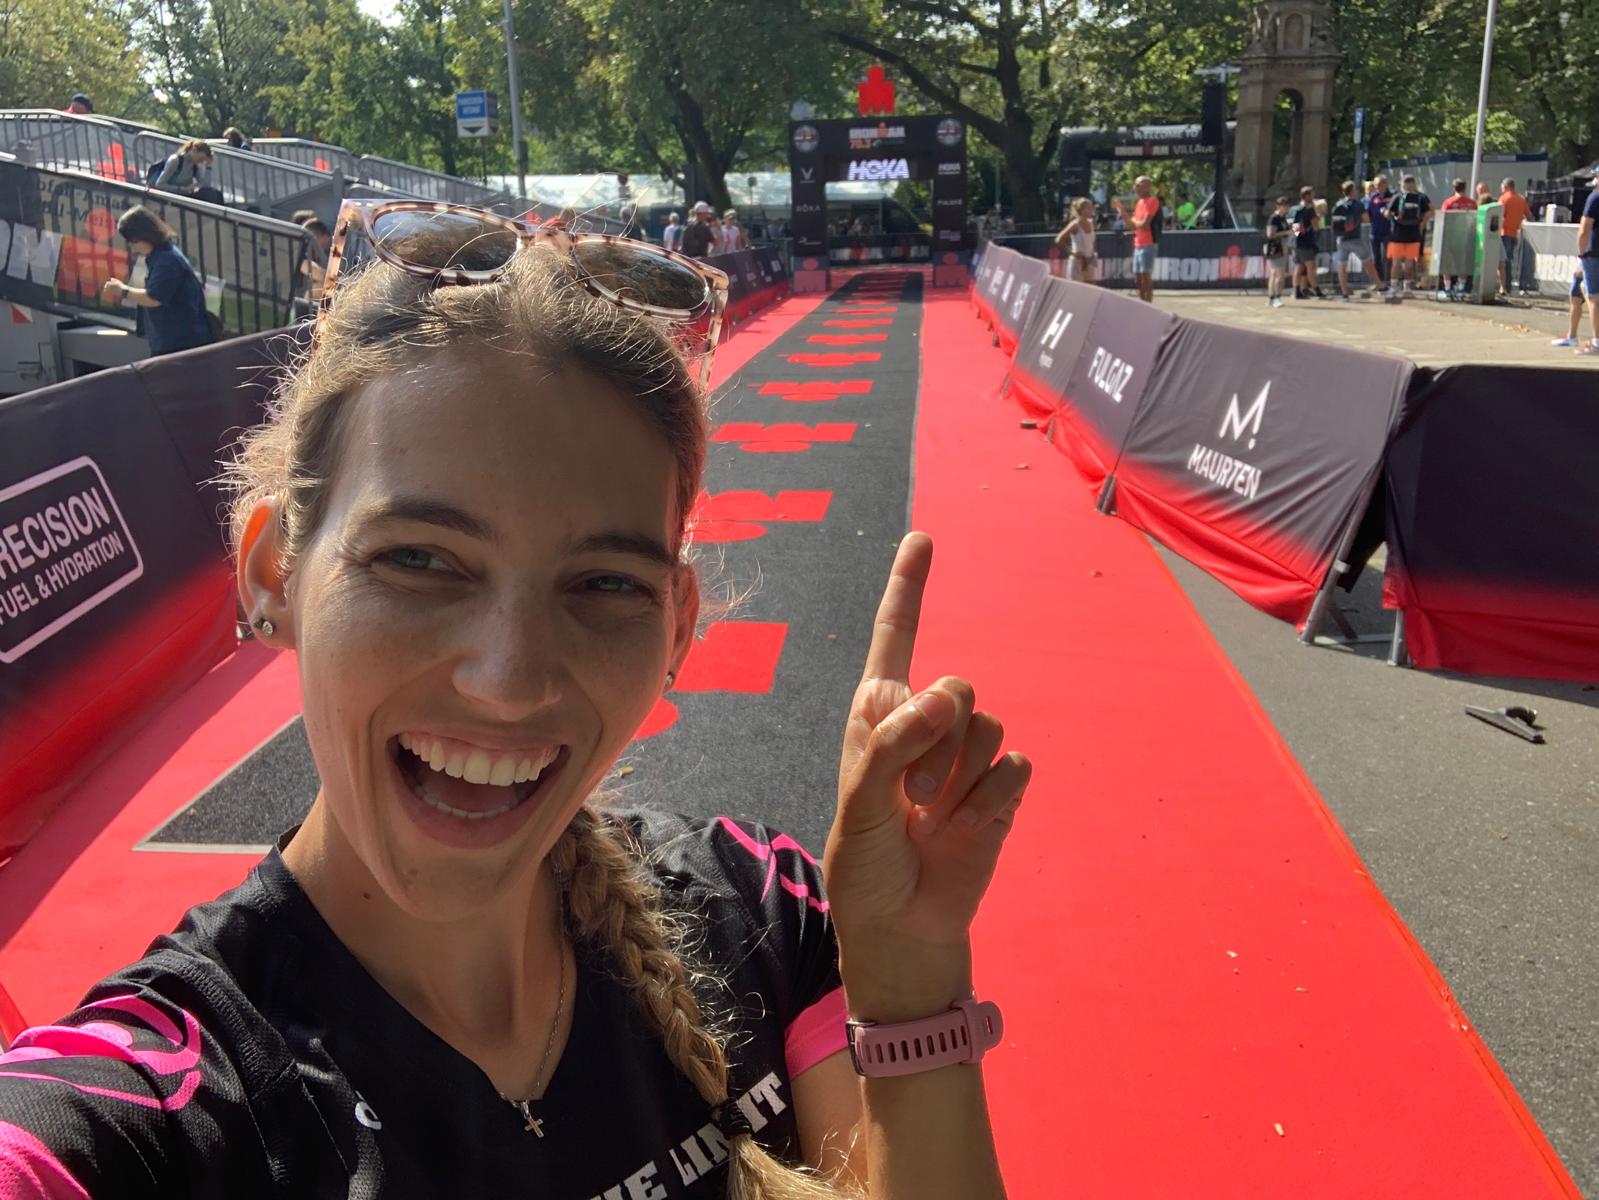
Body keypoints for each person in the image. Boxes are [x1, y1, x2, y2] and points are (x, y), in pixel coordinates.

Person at [0, 202, 1029, 1197]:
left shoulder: (765, 915)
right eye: (420, 561)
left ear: (674, 627)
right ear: (273, 575)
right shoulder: (165, 1100)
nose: (509, 679)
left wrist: (907, 975)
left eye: (604, 584)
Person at [97, 205, 216, 356]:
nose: (130, 245)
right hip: (174, 341)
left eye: (131, 240)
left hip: (180, 344)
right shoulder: (161, 256)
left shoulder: (167, 261)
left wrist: (122, 291)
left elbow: (154, 298)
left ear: (142, 236)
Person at [1113, 175, 1160, 303]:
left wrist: (1135, 223)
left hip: (1148, 243)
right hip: (1138, 243)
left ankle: (1148, 305)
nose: (1136, 188)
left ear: (1147, 187)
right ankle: (1142, 303)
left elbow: (1144, 224)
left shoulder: (1152, 200)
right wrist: (1123, 212)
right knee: (1138, 278)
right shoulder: (1139, 203)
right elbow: (1131, 225)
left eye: (1139, 185)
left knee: (1146, 276)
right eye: (1135, 185)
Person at [1384, 174, 1432, 296]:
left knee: (1396, 262)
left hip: (1397, 235)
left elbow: (1388, 214)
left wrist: (1386, 214)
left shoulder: (1397, 197)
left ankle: (1394, 287)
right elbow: (1429, 212)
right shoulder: (1421, 198)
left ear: (1402, 185)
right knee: (1409, 263)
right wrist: (1421, 225)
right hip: (1414, 235)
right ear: (1414, 184)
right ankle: (1407, 289)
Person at [1329, 180, 1376, 301]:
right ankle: (1380, 286)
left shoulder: (1338, 204)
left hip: (1341, 239)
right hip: (1354, 238)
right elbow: (1366, 219)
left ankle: (1344, 294)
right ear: (1352, 191)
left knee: (1342, 266)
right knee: (1367, 261)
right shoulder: (1357, 204)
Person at [154, 138, 224, 205]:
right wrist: (183, 189)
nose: (201, 162)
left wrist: (208, 167)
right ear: (194, 150)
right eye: (201, 158)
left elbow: (205, 186)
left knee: (215, 194)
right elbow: (160, 185)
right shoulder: (176, 160)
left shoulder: (195, 165)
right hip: (172, 197)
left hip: (185, 196)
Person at [1438, 178, 1477, 297]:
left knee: (1447, 262)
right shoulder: (1472, 203)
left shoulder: (1448, 202)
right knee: (1463, 263)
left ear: (1453, 188)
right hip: (1467, 236)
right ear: (1465, 187)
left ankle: (1448, 289)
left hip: (1451, 236)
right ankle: (1461, 288)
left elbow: (1443, 219)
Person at [1573, 174, 1599, 354]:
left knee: (1594, 297)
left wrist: (1581, 254)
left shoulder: (1595, 198)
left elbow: (1584, 229)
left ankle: (1597, 340)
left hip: (1594, 253)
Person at [1288, 185, 1324, 300]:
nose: (1313, 197)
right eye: (1312, 194)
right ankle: (1317, 290)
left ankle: (1296, 290)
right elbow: (1315, 226)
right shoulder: (1309, 210)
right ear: (1307, 196)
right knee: (1310, 267)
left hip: (1294, 242)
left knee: (1298, 266)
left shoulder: (1293, 209)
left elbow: (1294, 226)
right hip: (1306, 242)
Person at [1498, 178, 1532, 296]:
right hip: (1515, 233)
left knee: (1503, 260)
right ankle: (1507, 285)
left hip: (1504, 233)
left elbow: (1498, 216)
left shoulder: (1504, 199)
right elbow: (1529, 215)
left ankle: (1505, 286)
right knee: (1510, 259)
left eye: (1501, 186)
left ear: (1505, 187)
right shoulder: (1521, 199)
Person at [1054, 197, 1098, 283]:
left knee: (1091, 289)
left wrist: (1093, 252)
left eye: (1091, 207)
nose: (1091, 210)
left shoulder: (1091, 223)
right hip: (1078, 261)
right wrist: (1072, 252)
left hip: (1089, 260)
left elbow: (1092, 240)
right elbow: (1059, 239)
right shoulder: (1075, 224)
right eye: (1088, 208)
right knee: (1077, 289)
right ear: (1081, 210)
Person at [1262, 194, 1291, 307]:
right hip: (1275, 247)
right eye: (1283, 205)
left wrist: (1294, 230)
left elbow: (1294, 232)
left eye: (1286, 206)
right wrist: (1285, 233)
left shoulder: (1284, 218)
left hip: (1283, 246)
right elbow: (1270, 234)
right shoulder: (1274, 218)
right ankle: (1276, 297)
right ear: (1278, 206)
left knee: (1276, 274)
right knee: (1278, 274)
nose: (1285, 208)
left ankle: (1272, 297)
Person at [1365, 174, 1394, 286]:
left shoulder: (1392, 196)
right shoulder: (1373, 197)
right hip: (1375, 232)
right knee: (1376, 258)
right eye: (1375, 185)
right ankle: (1379, 282)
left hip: (1388, 232)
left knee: (1388, 258)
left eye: (1379, 185)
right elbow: (1369, 213)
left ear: (1385, 184)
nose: (1377, 188)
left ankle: (1389, 281)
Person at [299, 217, 332, 303]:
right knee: (319, 287)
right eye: (323, 243)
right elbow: (323, 276)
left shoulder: (316, 258)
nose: (323, 249)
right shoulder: (300, 257)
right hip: (296, 306)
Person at [1551, 267, 1586, 348]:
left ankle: (1572, 336)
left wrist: (1583, 267)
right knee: (1576, 299)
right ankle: (1572, 335)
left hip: (1588, 267)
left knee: (1580, 299)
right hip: (1585, 267)